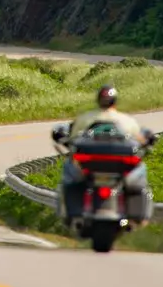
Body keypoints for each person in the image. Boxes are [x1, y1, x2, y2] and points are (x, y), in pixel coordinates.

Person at [53, 85, 154, 221]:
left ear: (98, 100)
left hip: (89, 167)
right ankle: (137, 218)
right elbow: (140, 140)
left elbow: (71, 138)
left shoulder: (85, 118)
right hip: (117, 169)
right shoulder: (127, 120)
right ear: (115, 101)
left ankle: (74, 213)